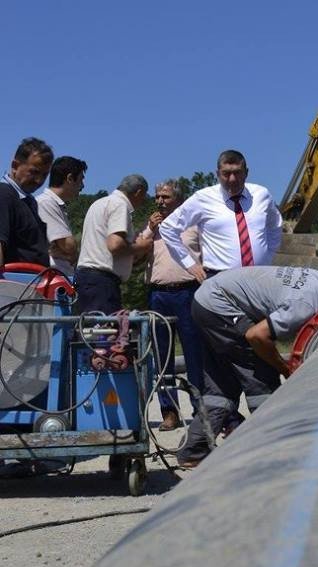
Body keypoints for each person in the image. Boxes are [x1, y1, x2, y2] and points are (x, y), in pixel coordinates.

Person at [176, 267, 318, 467]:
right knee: (262, 377)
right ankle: (273, 451)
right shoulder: (304, 304)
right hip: (218, 305)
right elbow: (256, 335)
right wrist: (284, 367)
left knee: (221, 386)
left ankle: (194, 450)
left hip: (206, 299)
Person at [159, 149, 282, 282]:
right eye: (226, 174)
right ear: (217, 174)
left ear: (246, 173)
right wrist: (190, 264)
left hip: (259, 277)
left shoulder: (261, 194)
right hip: (220, 280)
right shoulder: (203, 199)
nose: (232, 179)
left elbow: (275, 226)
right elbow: (168, 228)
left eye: (237, 173)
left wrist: (268, 255)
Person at [142, 179, 206, 431]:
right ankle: (169, 411)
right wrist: (148, 229)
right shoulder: (151, 229)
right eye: (158, 197)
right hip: (158, 295)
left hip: (188, 293)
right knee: (162, 357)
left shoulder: (193, 226)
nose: (160, 201)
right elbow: (136, 253)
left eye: (166, 197)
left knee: (194, 354)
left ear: (179, 200)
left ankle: (200, 407)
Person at [75, 174, 152, 315]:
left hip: (86, 278)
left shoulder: (99, 204)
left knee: (89, 330)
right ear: (139, 191)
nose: (142, 202)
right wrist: (141, 246)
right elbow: (115, 245)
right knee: (103, 333)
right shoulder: (120, 205)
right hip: (102, 282)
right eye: (143, 197)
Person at [0, 137, 54, 269]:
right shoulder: (4, 194)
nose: (39, 180)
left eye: (44, 175)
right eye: (34, 172)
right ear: (15, 166)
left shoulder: (29, 202)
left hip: (32, 283)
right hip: (16, 285)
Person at [36, 156, 87, 278]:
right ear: (70, 178)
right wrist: (70, 252)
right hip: (51, 280)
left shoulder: (56, 205)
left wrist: (67, 252)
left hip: (58, 278)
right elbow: (69, 246)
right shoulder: (46, 203)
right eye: (81, 179)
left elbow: (69, 250)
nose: (83, 186)